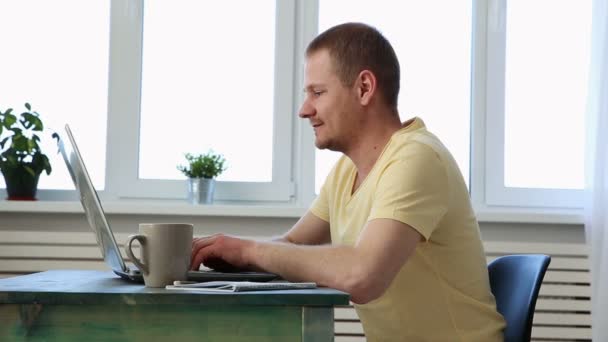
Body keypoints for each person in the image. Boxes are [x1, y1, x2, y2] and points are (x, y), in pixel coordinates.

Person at [191, 22, 506, 341]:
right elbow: (294, 247)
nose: (304, 109)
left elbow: (363, 275)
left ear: (365, 88)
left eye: (318, 92)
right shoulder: (346, 171)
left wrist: (249, 252)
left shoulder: (417, 159)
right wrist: (226, 252)